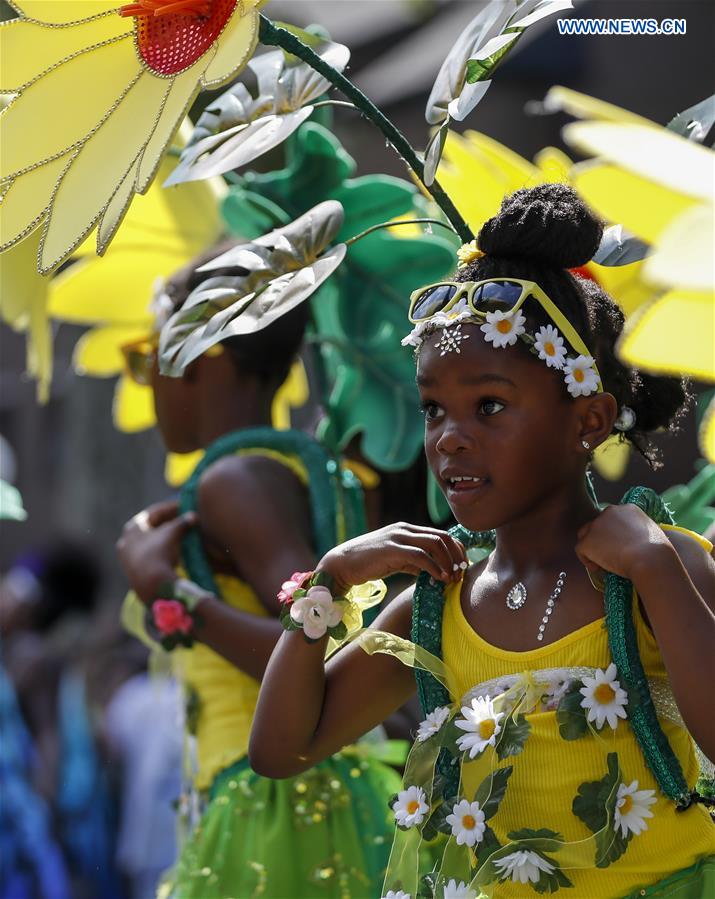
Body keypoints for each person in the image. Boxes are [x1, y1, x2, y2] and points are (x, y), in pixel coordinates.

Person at [248, 184, 715, 898]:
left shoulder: (662, 562)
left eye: (489, 405)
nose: (450, 437)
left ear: (588, 420)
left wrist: (653, 566)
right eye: (433, 408)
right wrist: (330, 581)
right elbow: (283, 749)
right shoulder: (440, 603)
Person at [117, 247, 402, 899]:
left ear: (198, 357)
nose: (147, 382)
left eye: (146, 359)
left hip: (278, 810)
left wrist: (168, 593)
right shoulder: (286, 468)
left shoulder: (234, 481)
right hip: (299, 800)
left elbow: (313, 644)